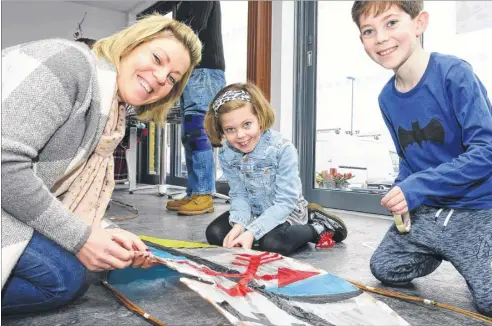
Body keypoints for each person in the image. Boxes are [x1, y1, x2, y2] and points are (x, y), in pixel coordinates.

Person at [1, 14, 202, 314]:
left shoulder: (110, 115)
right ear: (130, 44)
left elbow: (62, 190)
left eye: (173, 78)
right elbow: (5, 164)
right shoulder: (71, 64)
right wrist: (82, 237)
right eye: (158, 58)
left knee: (72, 272)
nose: (162, 78)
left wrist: (104, 231)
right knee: (62, 276)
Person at [351, 1, 492, 318]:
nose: (381, 38)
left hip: (485, 203)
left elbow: (488, 151)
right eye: (369, 31)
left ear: (419, 23)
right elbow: (407, 156)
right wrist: (403, 191)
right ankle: (453, 248)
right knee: (386, 267)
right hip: (435, 208)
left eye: (391, 23)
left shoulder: (455, 74)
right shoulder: (386, 98)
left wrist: (417, 186)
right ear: (363, 41)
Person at [203, 82, 348, 256]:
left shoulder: (282, 149)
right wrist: (239, 225)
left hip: (286, 211)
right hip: (253, 212)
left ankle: (317, 225)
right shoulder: (226, 154)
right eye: (230, 129)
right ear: (222, 131)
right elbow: (239, 194)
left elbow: (286, 202)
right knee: (215, 234)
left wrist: (251, 232)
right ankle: (254, 234)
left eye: (247, 124)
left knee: (273, 243)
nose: (240, 135)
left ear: (260, 118)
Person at [166, 1, 226, 216]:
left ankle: (203, 194)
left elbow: (194, 27)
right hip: (193, 71)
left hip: (205, 70)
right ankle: (194, 193)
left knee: (198, 132)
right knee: (190, 135)